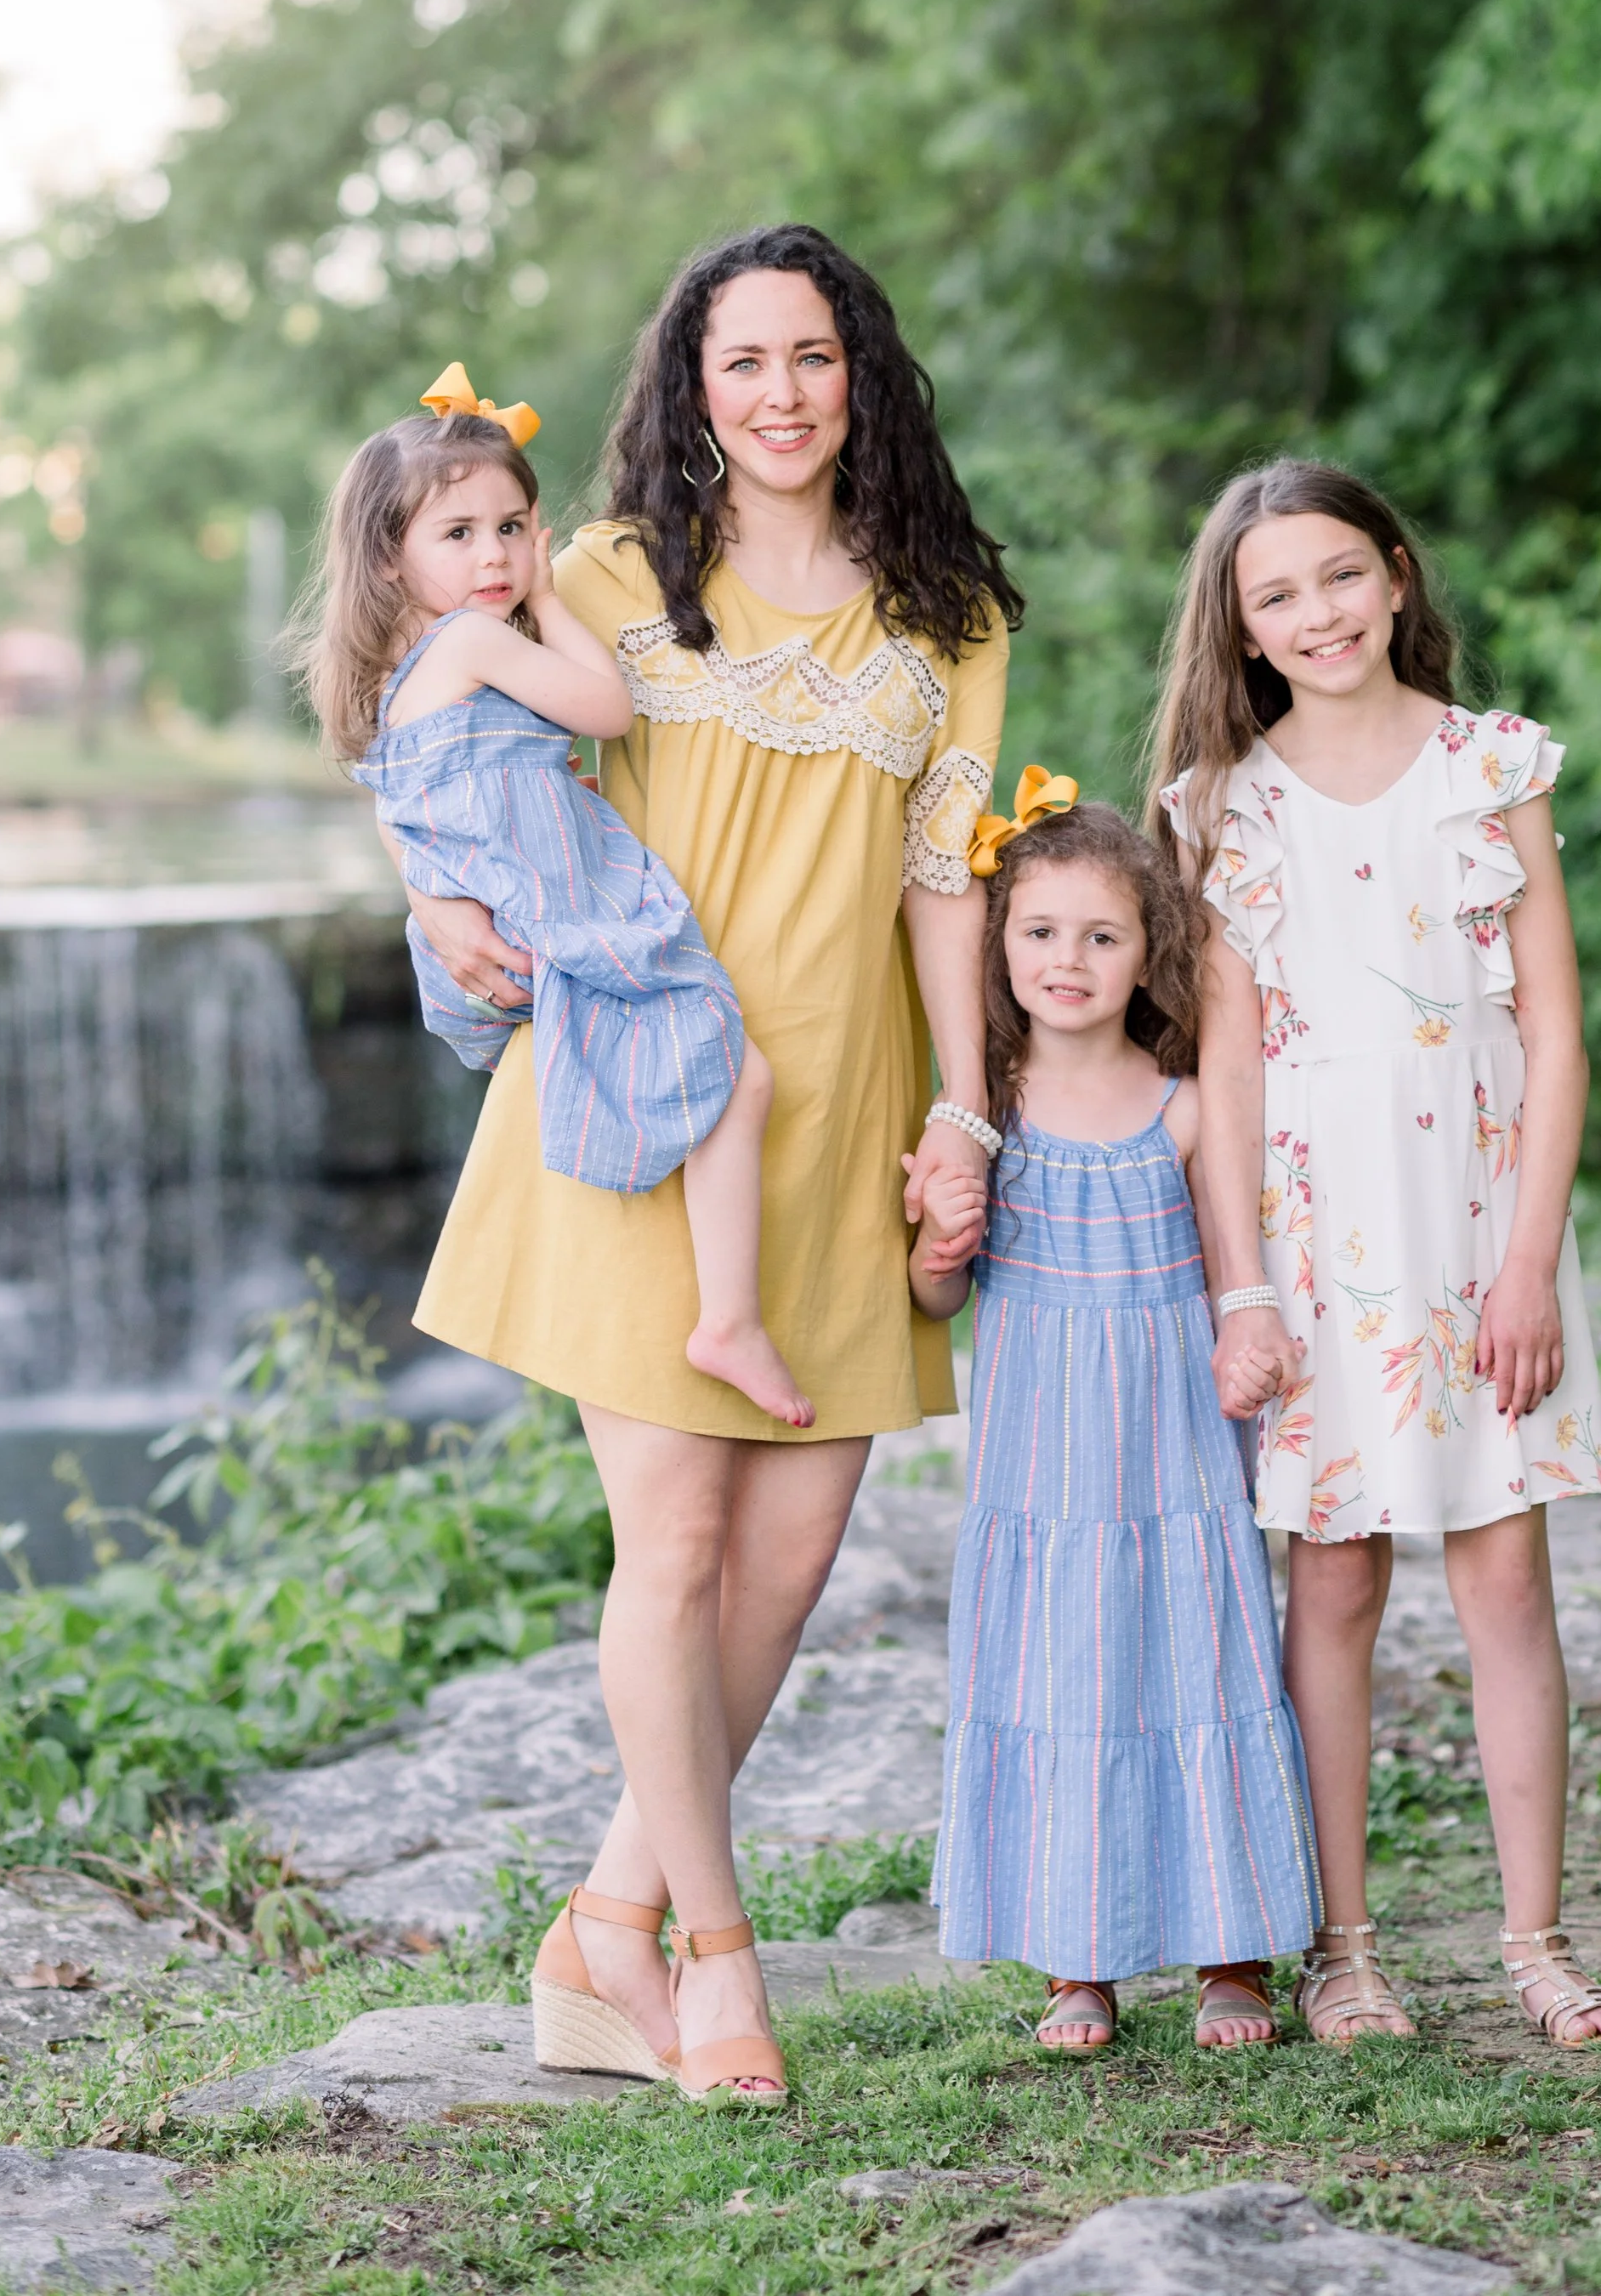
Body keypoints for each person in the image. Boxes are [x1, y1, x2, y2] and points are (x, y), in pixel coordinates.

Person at [399, 226, 1018, 2106]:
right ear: (690, 383)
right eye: (739, 360)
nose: (776, 394)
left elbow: (941, 888)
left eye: (810, 357)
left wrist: (964, 1110)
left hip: (834, 1118)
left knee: (789, 1562)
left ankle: (600, 1929)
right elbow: (438, 740)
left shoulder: (950, 618)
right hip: (624, 1095)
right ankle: (714, 1963)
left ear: (862, 378)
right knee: (671, 1544)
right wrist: (432, 903)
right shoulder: (595, 574)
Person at [1151, 459, 1601, 2050]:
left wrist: (1527, 1262)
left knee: (1505, 1577)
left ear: (1400, 575)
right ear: (1240, 628)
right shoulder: (1228, 805)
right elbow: (1224, 1075)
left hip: (1487, 1227)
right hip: (1315, 1238)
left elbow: (1556, 1036)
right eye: (1276, 595)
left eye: (1340, 576)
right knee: (1334, 1584)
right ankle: (1343, 1948)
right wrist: (1242, 1287)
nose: (1318, 614)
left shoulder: (1490, 767)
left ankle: (1537, 1944)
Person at [299, 366, 808, 1431]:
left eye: (515, 527)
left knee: (691, 1074)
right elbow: (608, 708)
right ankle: (729, 1320)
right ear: (390, 558)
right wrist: (548, 595)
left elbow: (397, 801)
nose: (493, 554)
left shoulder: (396, 670)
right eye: (459, 534)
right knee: (741, 1071)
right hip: (557, 916)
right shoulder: (477, 641)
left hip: (495, 934)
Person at [913, 780, 1320, 2056]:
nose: (1068, 960)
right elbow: (934, 1299)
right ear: (1000, 949)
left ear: (1150, 953)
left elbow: (1232, 1265)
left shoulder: (1184, 1105)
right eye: (1038, 933)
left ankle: (1232, 1954)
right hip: (1043, 1475)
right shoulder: (990, 1119)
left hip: (1173, 1461)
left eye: (1101, 935)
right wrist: (940, 1233)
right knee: (1060, 1684)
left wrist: (1251, 1339)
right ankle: (1073, 1962)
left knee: (1198, 1668)